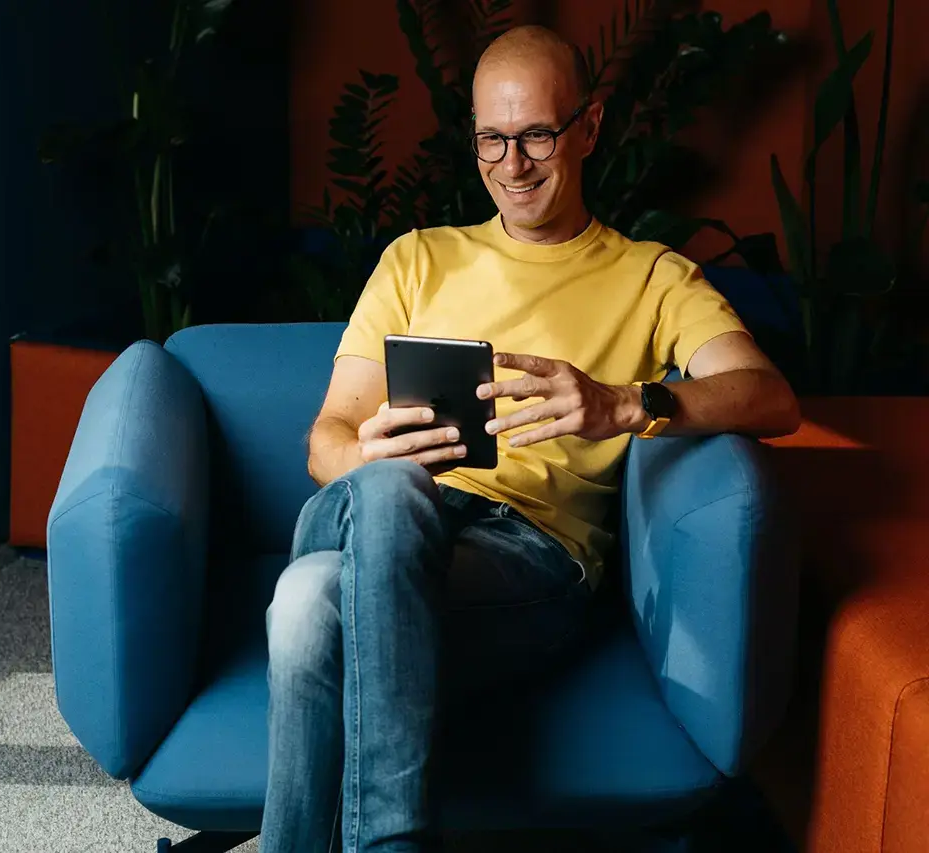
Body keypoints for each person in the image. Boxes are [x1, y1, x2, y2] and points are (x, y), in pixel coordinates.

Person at [259, 23, 800, 853]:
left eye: (537, 135)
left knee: (305, 605)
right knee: (390, 486)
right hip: (380, 517)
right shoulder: (417, 260)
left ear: (588, 126)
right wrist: (375, 455)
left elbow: (770, 397)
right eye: (491, 140)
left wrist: (627, 403)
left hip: (530, 562)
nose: (512, 164)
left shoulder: (652, 276)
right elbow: (325, 443)